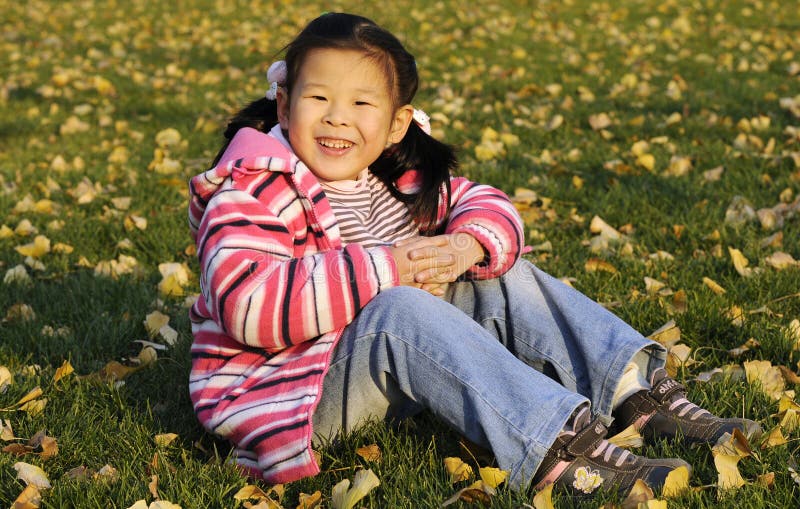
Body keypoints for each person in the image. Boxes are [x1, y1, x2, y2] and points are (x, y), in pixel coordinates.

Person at [187, 12, 761, 499]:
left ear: (396, 124)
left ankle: (635, 394)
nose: (337, 116)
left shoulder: (392, 181)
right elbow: (248, 305)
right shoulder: (251, 191)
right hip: (290, 398)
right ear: (284, 105)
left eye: (361, 102)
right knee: (399, 310)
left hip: (372, 371)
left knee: (499, 271)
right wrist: (392, 268)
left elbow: (488, 206)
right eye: (319, 98)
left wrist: (464, 246)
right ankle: (559, 451)